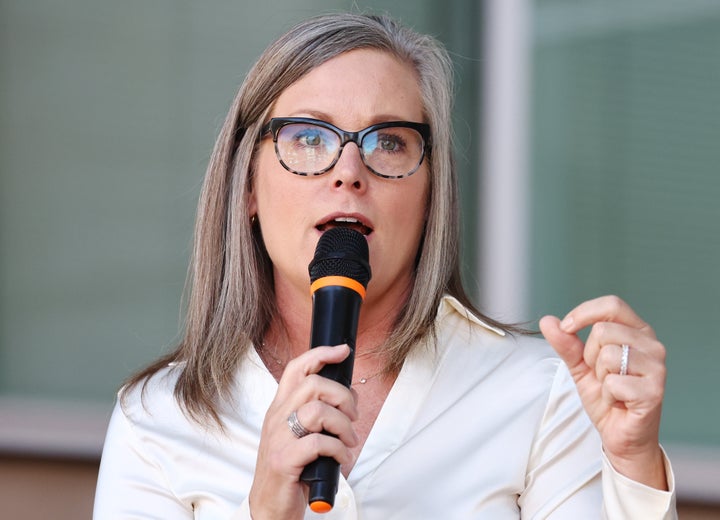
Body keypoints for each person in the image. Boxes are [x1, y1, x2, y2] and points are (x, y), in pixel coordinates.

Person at [93, 12, 677, 519]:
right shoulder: (157, 420)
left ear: (431, 195)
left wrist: (633, 467)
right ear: (247, 184)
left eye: (388, 142)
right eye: (308, 138)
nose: (349, 170)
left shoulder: (539, 391)